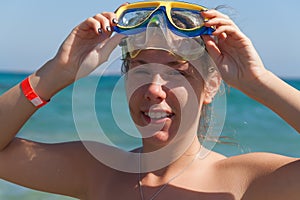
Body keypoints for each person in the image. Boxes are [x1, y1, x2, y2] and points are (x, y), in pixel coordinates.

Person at [1, 1, 300, 200]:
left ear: (210, 86)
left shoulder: (243, 182)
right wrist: (57, 72)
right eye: (141, 70)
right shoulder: (98, 171)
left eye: (176, 72)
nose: (154, 89)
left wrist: (259, 80)